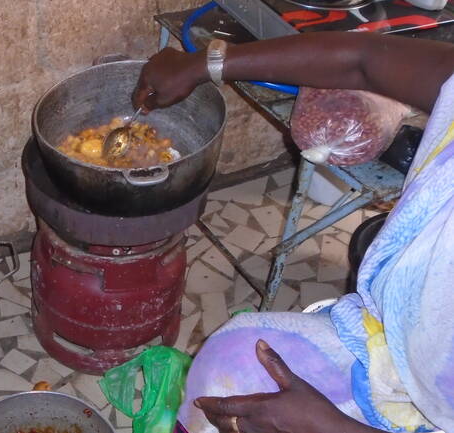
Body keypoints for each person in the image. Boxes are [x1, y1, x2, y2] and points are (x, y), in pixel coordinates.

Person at [132, 32, 454, 433]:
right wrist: (202, 65)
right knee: (233, 358)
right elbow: (364, 60)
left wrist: (326, 426)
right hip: (394, 350)